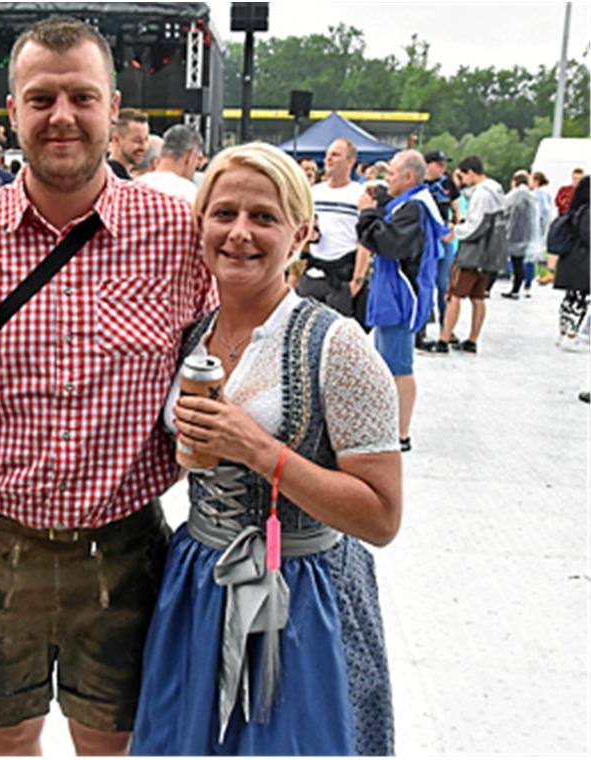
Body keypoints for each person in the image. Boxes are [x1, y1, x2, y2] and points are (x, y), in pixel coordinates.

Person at [0, 17, 210, 755]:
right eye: (41, 97)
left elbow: (228, 352)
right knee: (8, 739)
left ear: (115, 108)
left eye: (81, 97)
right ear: (12, 110)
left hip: (125, 545)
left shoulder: (178, 235)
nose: (62, 116)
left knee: (111, 743)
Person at [132, 141, 401, 756]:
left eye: (264, 217)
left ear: (300, 233)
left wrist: (260, 451)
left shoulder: (339, 347)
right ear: (200, 224)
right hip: (197, 578)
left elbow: (382, 518)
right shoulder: (188, 338)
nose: (239, 234)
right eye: (223, 214)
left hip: (304, 594)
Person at [356, 150, 446, 452]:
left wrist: (368, 213)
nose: (387, 179)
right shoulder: (409, 205)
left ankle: (401, 432)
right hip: (392, 296)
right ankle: (390, 427)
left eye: (392, 173)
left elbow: (389, 243)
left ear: (409, 177)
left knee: (399, 367)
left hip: (401, 298)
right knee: (387, 365)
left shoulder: (415, 208)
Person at [433, 155, 504, 354]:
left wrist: (454, 231)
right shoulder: (497, 190)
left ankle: (443, 340)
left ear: (471, 172)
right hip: (489, 253)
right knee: (478, 297)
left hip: (472, 252)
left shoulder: (481, 194)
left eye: (463, 177)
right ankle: (472, 340)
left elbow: (476, 225)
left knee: (454, 294)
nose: (462, 182)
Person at [297, 138, 370, 325]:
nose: (328, 159)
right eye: (327, 154)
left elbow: (366, 241)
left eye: (335, 155)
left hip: (342, 277)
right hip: (313, 273)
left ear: (350, 161)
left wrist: (356, 284)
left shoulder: (359, 194)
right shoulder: (315, 193)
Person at [415, 149, 461, 350]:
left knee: (445, 285)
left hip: (443, 238)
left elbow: (457, 208)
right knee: (424, 283)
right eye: (439, 164)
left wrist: (454, 224)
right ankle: (420, 328)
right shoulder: (418, 183)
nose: (443, 168)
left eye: (444, 164)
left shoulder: (447, 183)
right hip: (423, 238)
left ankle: (446, 329)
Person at [555, 175, 589, 352]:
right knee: (580, 299)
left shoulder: (576, 209)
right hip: (583, 262)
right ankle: (571, 335)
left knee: (571, 298)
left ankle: (564, 332)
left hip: (572, 260)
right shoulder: (588, 211)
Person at [135, 124, 202, 204]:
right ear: (189, 156)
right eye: (197, 158)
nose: (196, 168)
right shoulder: (189, 193)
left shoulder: (135, 186)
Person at [541, 168, 584, 285]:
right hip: (566, 221)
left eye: (579, 179)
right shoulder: (565, 190)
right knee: (554, 241)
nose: (577, 181)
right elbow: (560, 203)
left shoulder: (586, 192)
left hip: (580, 223)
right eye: (575, 179)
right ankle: (551, 271)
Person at [502, 171, 537, 299]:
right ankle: (519, 287)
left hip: (516, 234)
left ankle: (515, 289)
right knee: (519, 262)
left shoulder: (517, 195)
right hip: (525, 234)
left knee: (517, 263)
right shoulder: (528, 195)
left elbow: (505, 209)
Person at [107, 107, 149, 179]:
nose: (143, 147)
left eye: (146, 140)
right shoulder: (109, 179)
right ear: (116, 140)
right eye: (137, 141)